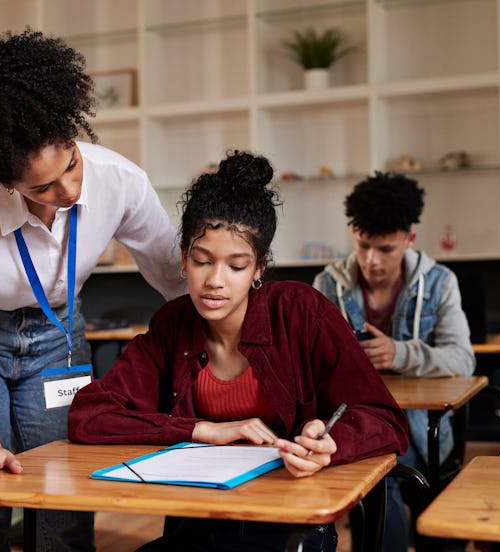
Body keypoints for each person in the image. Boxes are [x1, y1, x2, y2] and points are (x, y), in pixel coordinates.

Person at [0, 30, 185, 552]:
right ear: (2, 181)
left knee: (64, 496)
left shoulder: (119, 181)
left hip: (57, 336)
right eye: (43, 187)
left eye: (72, 166)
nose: (69, 190)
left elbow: (173, 277)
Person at [68, 151, 409, 552]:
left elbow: (385, 418)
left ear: (259, 268)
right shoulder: (172, 324)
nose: (215, 281)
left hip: (289, 526)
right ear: (183, 259)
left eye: (236, 266)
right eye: (202, 261)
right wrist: (204, 431)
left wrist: (331, 444)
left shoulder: (300, 311)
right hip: (196, 525)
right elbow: (89, 416)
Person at [312, 171, 475, 552]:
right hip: (359, 426)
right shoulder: (327, 285)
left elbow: (463, 358)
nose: (372, 260)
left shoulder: (439, 282)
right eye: (364, 245)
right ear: (353, 231)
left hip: (423, 429)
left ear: (409, 238)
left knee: (435, 523)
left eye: (386, 249)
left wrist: (401, 353)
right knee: (375, 486)